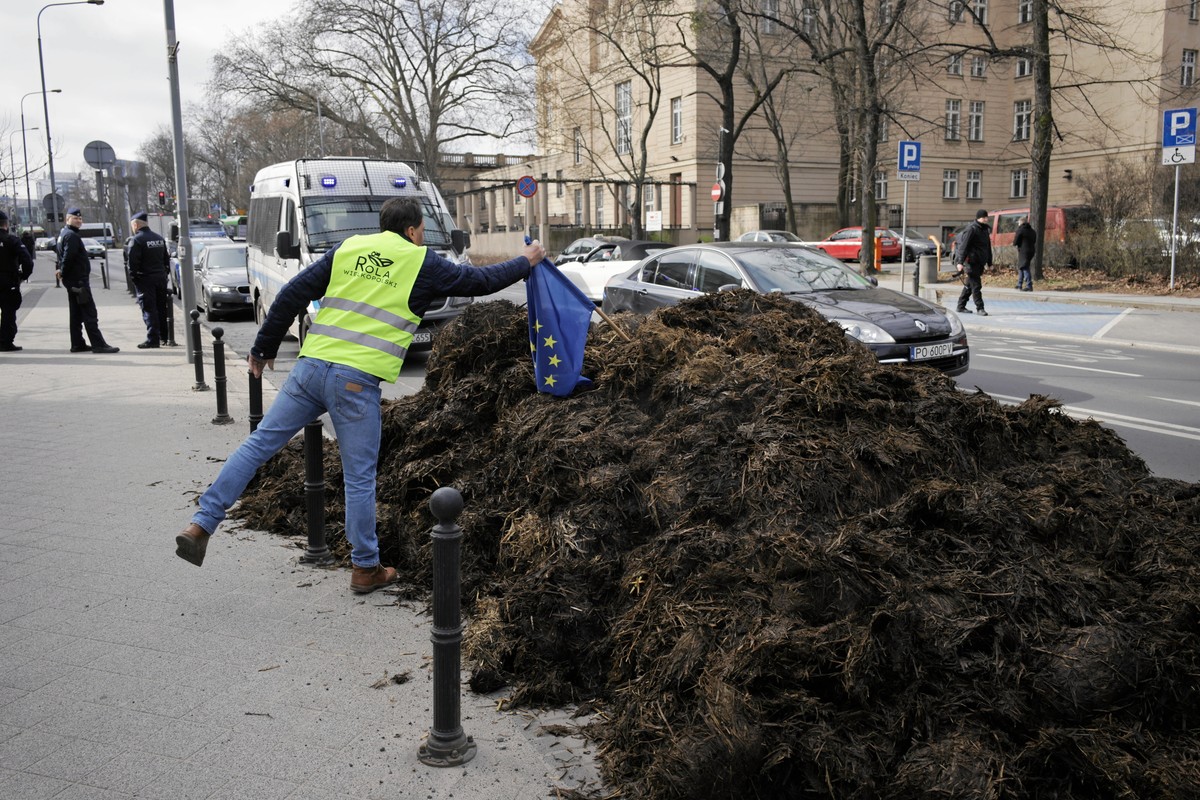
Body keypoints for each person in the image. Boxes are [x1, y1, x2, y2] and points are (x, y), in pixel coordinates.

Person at [175, 196, 546, 594]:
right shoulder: (422, 262)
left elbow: (290, 295)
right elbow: (482, 282)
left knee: (258, 445)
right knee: (359, 478)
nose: (421, 238)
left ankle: (202, 523)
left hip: (310, 368)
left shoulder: (348, 248)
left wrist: (263, 349)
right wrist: (527, 259)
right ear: (411, 230)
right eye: (421, 231)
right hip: (355, 383)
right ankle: (365, 567)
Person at [55, 208, 120, 353]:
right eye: (75, 218)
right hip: (78, 281)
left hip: (72, 280)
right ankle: (99, 344)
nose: (79, 221)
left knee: (76, 314)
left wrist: (62, 271)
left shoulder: (64, 234)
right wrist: (63, 271)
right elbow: (68, 256)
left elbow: (62, 255)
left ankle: (77, 344)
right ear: (67, 219)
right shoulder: (71, 236)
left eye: (80, 218)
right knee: (89, 313)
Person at [127, 211, 171, 347]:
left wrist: (134, 278)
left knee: (149, 309)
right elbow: (166, 259)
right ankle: (165, 336)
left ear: (136, 225)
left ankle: (153, 340)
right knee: (161, 308)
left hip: (145, 279)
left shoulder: (136, 240)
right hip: (160, 278)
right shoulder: (158, 238)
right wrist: (164, 274)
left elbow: (132, 263)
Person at [0, 211, 36, 352]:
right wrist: (23, 277)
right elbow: (27, 261)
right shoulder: (12, 241)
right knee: (8, 313)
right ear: (6, 224)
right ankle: (5, 342)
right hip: (9, 282)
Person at [954, 209, 992, 317]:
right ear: (978, 218)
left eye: (986, 217)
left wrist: (990, 262)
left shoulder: (985, 230)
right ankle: (980, 308)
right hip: (971, 262)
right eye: (984, 217)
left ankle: (960, 306)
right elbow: (963, 246)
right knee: (976, 285)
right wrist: (960, 262)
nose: (986, 219)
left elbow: (988, 248)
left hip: (980, 262)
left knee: (969, 285)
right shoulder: (972, 229)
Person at [1014, 216, 1036, 291]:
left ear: (1021, 222)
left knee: (1024, 267)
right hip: (1031, 250)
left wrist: (1014, 244)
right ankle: (1019, 284)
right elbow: (1034, 240)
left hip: (1023, 251)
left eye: (1019, 222)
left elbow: (1016, 240)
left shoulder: (1021, 230)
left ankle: (1029, 285)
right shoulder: (1032, 230)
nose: (1018, 224)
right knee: (1022, 266)